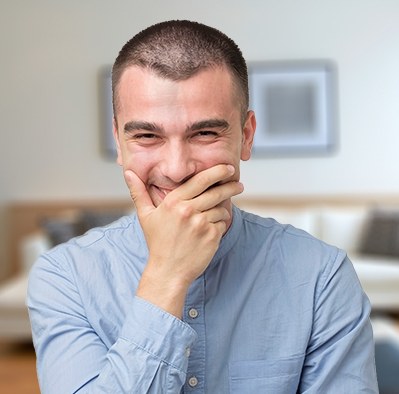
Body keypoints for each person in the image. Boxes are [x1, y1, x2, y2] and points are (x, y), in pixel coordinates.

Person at [27, 20, 378, 393]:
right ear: (119, 141)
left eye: (205, 133)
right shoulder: (63, 278)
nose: (177, 170)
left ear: (246, 136)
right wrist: (166, 277)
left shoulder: (323, 277)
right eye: (147, 135)